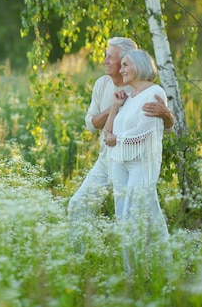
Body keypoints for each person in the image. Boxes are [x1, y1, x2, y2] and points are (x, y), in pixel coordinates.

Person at [67, 37, 173, 226]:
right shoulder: (102, 84)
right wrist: (114, 107)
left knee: (133, 216)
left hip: (132, 161)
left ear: (128, 61)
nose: (105, 61)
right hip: (105, 160)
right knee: (78, 205)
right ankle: (81, 255)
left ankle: (151, 251)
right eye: (105, 56)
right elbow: (91, 124)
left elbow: (157, 126)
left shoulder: (138, 86)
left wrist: (167, 114)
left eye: (110, 57)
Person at [103, 49, 170, 271]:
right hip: (120, 163)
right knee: (124, 217)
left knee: (136, 215)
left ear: (139, 66)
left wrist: (116, 139)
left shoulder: (154, 92)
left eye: (125, 65)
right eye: (120, 65)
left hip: (142, 163)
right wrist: (114, 108)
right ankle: (131, 272)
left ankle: (158, 267)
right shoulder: (127, 97)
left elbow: (145, 131)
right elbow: (107, 134)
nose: (120, 70)